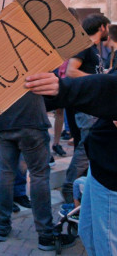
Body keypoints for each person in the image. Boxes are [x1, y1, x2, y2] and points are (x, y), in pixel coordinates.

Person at [25, 71, 117, 256]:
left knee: (106, 247)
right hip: (101, 168)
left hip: (111, 176)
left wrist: (63, 88)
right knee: (88, 232)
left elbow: (108, 88)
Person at [0, 93, 75, 251]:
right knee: (38, 176)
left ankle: (1, 226)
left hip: (2, 118)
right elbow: (51, 90)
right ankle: (45, 234)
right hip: (31, 117)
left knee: (6, 173)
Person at [63, 13, 110, 204]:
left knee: (89, 147)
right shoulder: (84, 45)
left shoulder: (93, 48)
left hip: (92, 107)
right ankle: (68, 188)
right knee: (85, 148)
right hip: (86, 108)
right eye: (107, 26)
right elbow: (71, 71)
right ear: (101, 27)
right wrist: (98, 80)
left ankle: (81, 189)